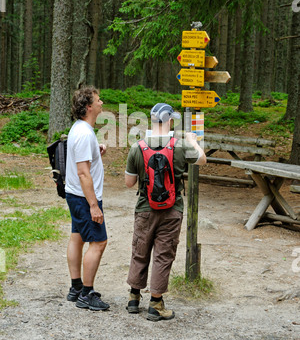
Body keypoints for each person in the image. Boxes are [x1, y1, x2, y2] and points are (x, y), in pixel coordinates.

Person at [125, 103, 206, 321]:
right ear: (170, 121)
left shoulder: (137, 147)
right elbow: (202, 160)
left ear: (151, 121)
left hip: (144, 208)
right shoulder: (179, 146)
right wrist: (192, 142)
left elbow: (129, 183)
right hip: (172, 209)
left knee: (140, 249)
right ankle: (155, 303)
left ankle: (134, 298)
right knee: (163, 255)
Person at [65, 86, 110, 312]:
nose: (102, 102)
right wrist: (94, 205)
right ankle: (86, 293)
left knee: (77, 238)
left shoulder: (81, 129)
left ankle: (75, 287)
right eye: (98, 100)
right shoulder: (84, 133)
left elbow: (81, 160)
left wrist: (96, 150)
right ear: (89, 106)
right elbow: (83, 173)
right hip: (84, 198)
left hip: (75, 195)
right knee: (99, 242)